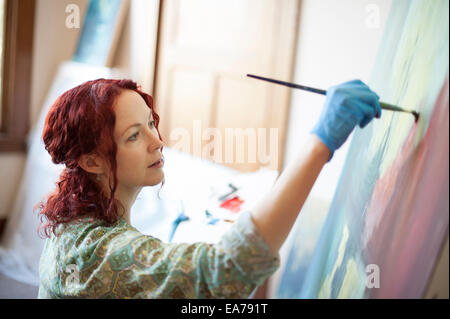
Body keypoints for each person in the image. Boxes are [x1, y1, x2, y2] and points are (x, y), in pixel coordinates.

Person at [36, 78, 381, 298]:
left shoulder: (79, 224)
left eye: (151, 124)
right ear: (91, 161)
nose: (157, 141)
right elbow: (227, 269)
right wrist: (320, 143)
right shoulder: (95, 253)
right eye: (134, 135)